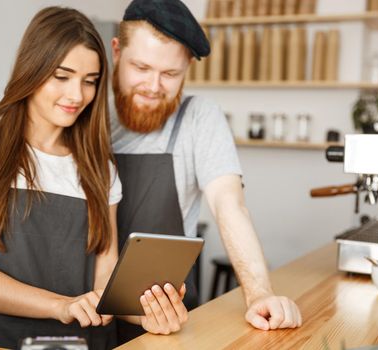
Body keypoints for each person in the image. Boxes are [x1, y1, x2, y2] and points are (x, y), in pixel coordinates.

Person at [0, 6, 188, 349]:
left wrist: (148, 311)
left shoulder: (98, 167)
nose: (76, 95)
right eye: (61, 77)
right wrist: (59, 306)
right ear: (32, 70)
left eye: (89, 81)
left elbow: (104, 278)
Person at [110, 0, 303, 344]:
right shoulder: (84, 113)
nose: (154, 86)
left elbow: (229, 204)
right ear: (116, 51)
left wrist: (259, 293)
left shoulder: (199, 118)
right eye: (141, 67)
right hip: (83, 313)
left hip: (167, 320)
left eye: (170, 74)